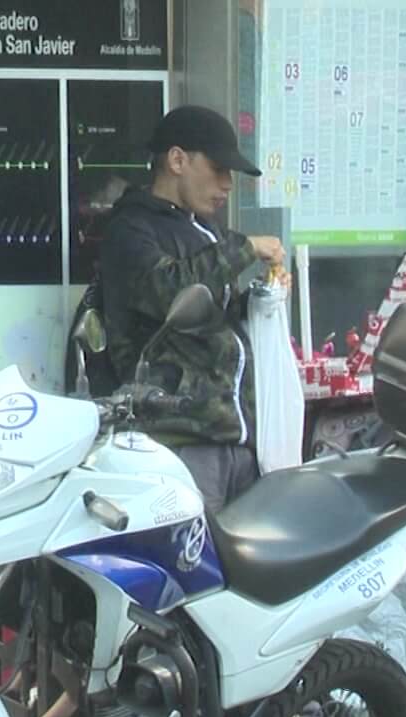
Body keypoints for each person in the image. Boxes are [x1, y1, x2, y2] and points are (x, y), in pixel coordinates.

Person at [97, 104, 283, 513]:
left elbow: (213, 314)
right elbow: (172, 292)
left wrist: (262, 299)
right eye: (218, 168)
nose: (227, 184)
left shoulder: (205, 229)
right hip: (176, 441)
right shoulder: (131, 229)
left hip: (235, 440)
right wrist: (245, 248)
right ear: (177, 160)